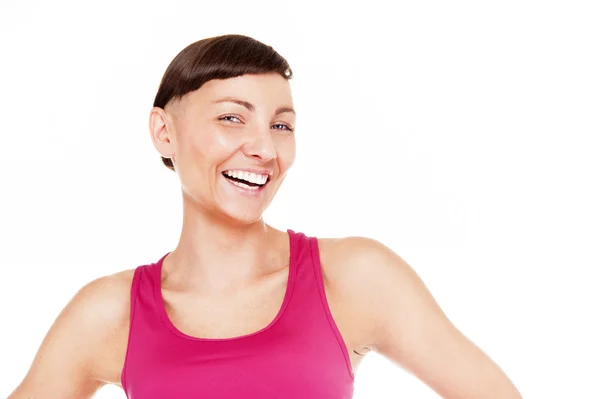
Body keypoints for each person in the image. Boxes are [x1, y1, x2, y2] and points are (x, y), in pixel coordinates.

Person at [8, 34, 522, 399]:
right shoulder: (110, 312)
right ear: (164, 132)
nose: (263, 148)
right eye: (232, 117)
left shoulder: (353, 277)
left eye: (282, 125)